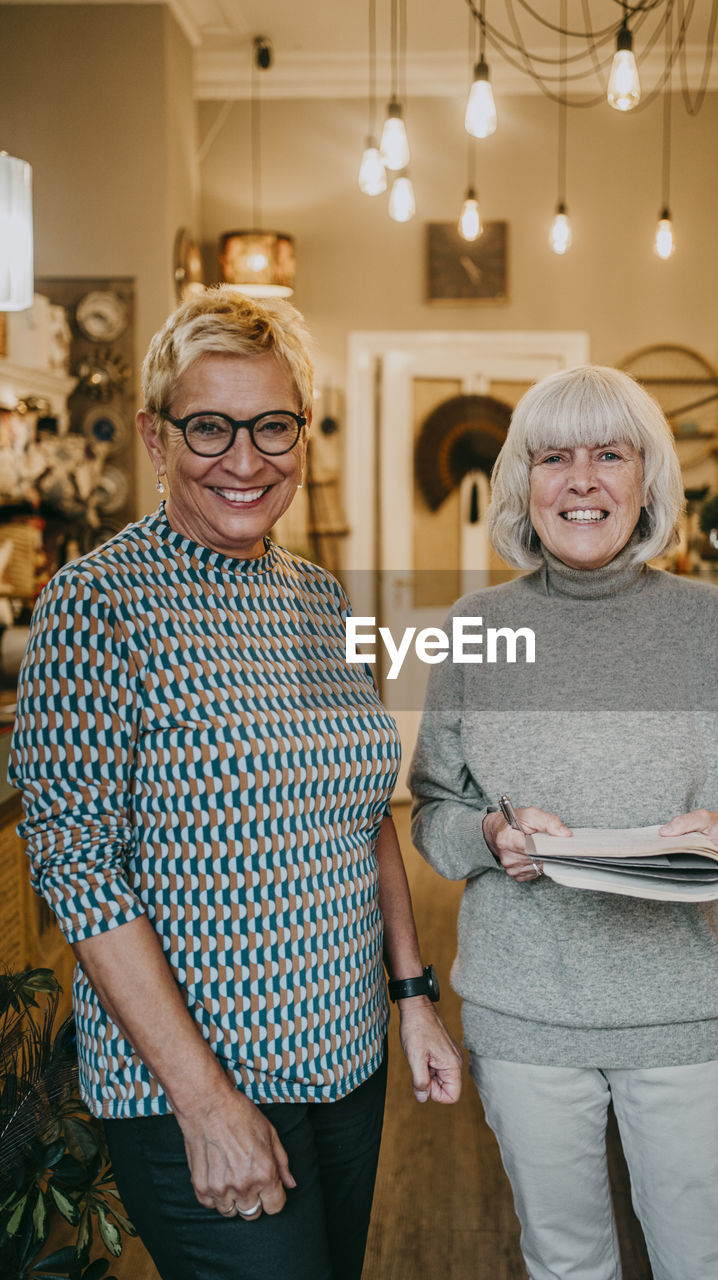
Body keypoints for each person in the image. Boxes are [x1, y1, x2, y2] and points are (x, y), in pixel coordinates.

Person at [10, 288, 461, 1280]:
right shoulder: (96, 604)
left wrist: (413, 992)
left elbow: (360, 810)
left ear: (302, 430)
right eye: (209, 426)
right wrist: (206, 1101)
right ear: (155, 434)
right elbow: (77, 864)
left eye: (273, 425)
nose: (246, 459)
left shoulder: (316, 595)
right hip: (196, 1087)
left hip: (345, 1059)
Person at [409, 365, 718, 1280]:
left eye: (608, 455)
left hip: (684, 1011)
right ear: (523, 482)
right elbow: (434, 809)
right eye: (554, 456)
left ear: (645, 481)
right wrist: (489, 836)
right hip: (528, 1016)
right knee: (566, 1263)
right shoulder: (475, 628)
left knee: (707, 1262)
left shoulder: (716, 626)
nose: (581, 480)